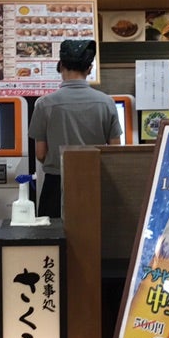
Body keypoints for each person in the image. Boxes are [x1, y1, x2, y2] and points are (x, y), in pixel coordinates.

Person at [30, 39, 121, 217]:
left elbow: (40, 154)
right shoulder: (107, 103)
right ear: (89, 69)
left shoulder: (44, 104)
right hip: (95, 182)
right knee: (91, 238)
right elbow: (115, 150)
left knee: (54, 240)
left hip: (56, 185)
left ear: (61, 65)